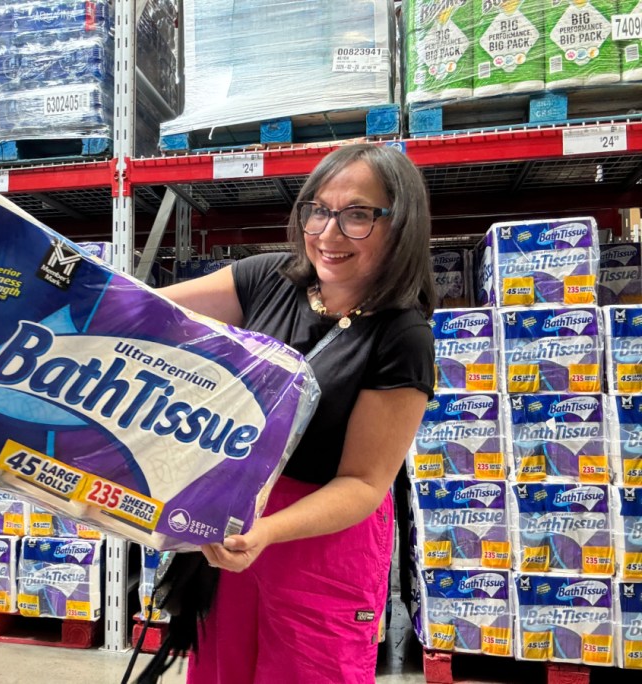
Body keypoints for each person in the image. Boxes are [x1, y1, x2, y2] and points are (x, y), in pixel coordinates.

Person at [154, 143, 436, 683]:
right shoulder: (267, 279)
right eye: (319, 210)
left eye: (357, 215)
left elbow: (363, 482)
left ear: (400, 224)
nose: (329, 233)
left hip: (321, 541)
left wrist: (266, 532)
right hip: (231, 525)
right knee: (221, 672)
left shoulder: (402, 335)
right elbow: (146, 312)